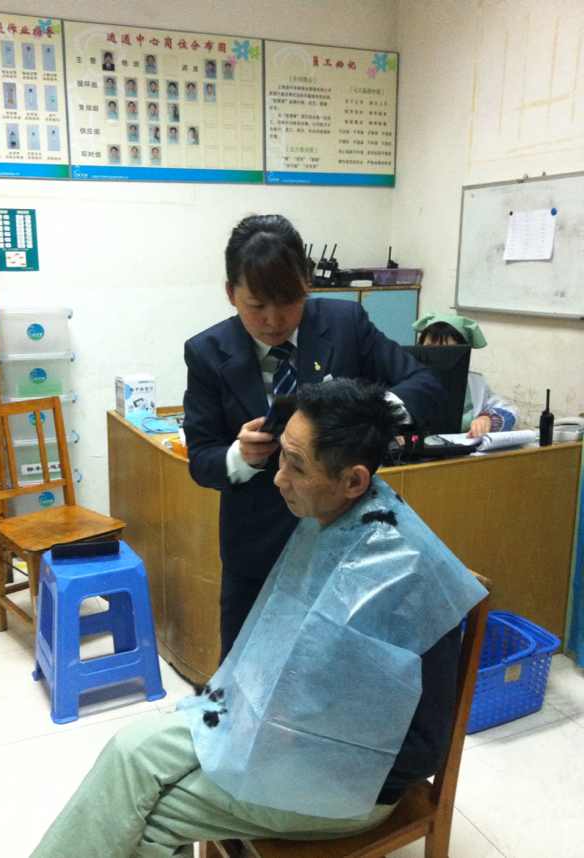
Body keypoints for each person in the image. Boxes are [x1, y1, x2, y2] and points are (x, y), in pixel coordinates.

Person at [31, 380, 485, 858]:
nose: (278, 478)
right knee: (129, 752)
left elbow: (422, 749)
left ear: (354, 481)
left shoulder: (407, 575)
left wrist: (298, 742)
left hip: (348, 780)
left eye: (296, 465)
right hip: (264, 725)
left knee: (154, 817)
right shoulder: (332, 520)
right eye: (281, 457)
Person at [183, 214, 445, 660]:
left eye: (288, 301)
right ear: (231, 293)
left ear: (306, 282)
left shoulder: (345, 322)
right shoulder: (207, 352)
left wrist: (363, 414)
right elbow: (201, 460)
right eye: (256, 305)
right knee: (248, 670)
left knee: (341, 671)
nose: (273, 321)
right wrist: (240, 456)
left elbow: (425, 387)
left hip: (348, 544)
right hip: (257, 550)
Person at [413, 312, 518, 437]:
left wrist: (487, 419)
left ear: (464, 353)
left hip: (464, 446)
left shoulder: (475, 383)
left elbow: (509, 410)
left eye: (448, 350)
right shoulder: (406, 379)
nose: (438, 355)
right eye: (431, 347)